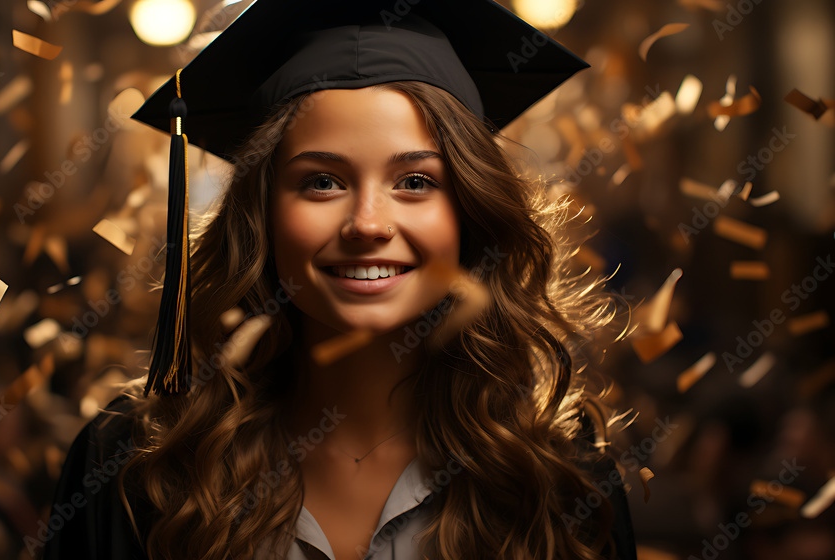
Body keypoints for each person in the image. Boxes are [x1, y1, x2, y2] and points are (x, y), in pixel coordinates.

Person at [43, 0, 638, 559]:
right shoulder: (138, 466)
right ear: (262, 218)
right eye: (322, 181)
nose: (368, 224)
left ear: (470, 216)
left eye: (416, 182)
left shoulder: (555, 478)